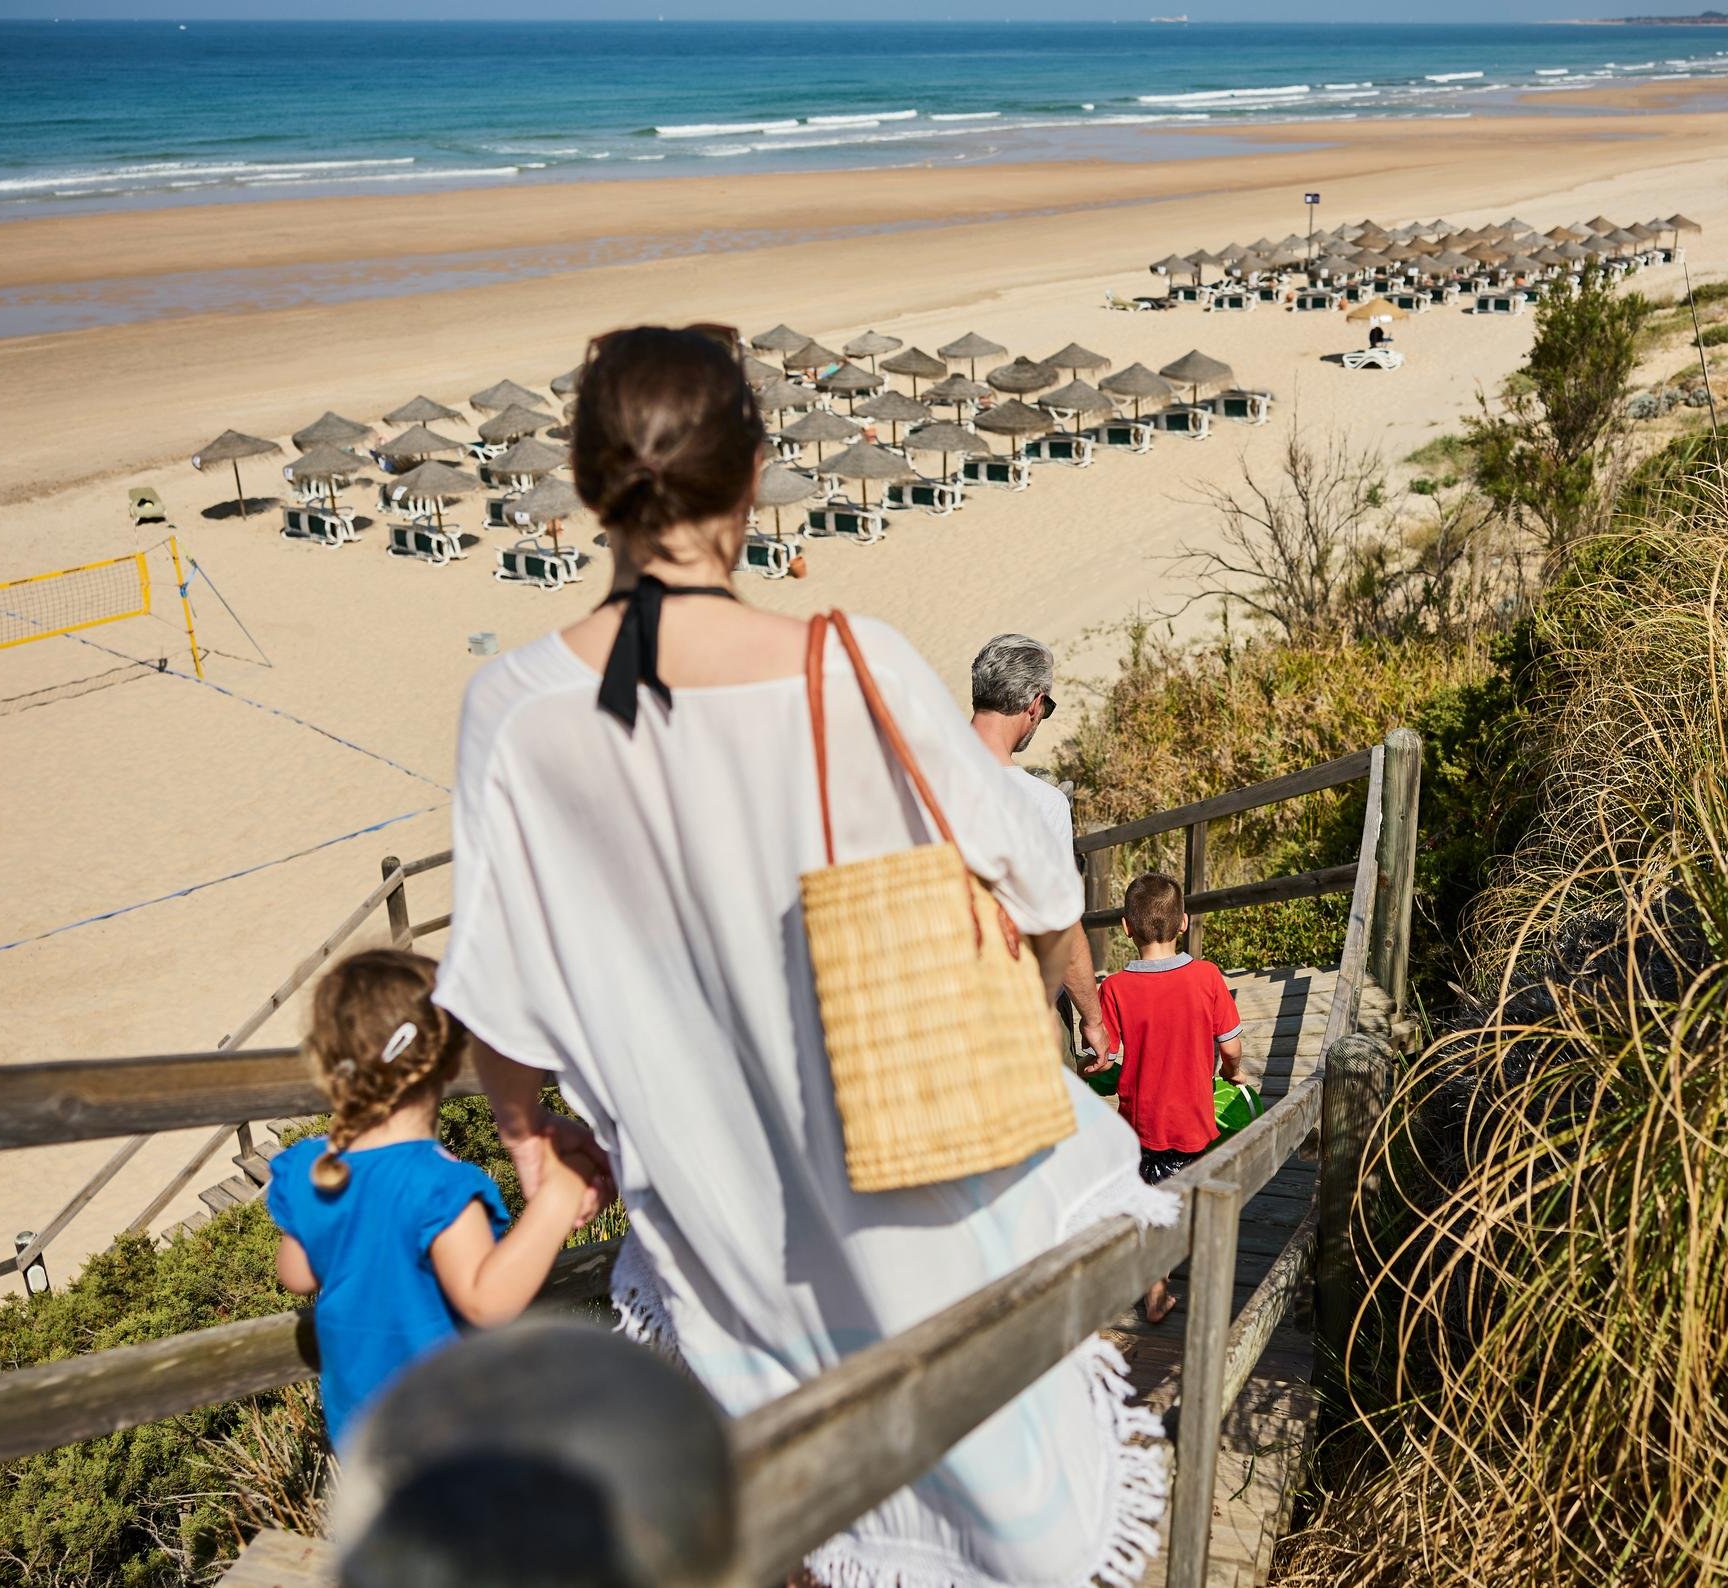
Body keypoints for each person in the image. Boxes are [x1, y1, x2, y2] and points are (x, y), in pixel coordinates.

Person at [432, 325, 1178, 1587]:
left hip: (716, 1210)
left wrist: (531, 1151)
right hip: (916, 1168)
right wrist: (1069, 973)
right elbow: (1039, 875)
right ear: (757, 472)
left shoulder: (515, 714)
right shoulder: (855, 662)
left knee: (792, 1524)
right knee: (985, 1494)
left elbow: (497, 996)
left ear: (588, 479)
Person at [267, 948, 597, 1453]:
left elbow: (296, 1274)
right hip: (449, 1433)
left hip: (359, 1431)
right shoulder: (437, 1186)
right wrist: (560, 1195)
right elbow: (487, 1302)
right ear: (445, 1065)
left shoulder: (311, 1166)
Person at [1089, 874, 1245, 1326]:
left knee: (1152, 1204)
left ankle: (1156, 1293)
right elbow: (1230, 1047)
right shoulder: (1207, 976)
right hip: (1195, 1122)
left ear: (1125, 927)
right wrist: (1234, 1074)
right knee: (1198, 1200)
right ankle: (1209, 1289)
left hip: (1142, 1126)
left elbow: (1106, 1057)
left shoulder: (1114, 988)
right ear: (1184, 922)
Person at [967, 632, 1108, 1062]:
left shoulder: (916, 771)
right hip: (1017, 1013)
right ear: (1034, 703)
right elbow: (1057, 928)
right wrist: (1092, 1018)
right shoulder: (1041, 803)